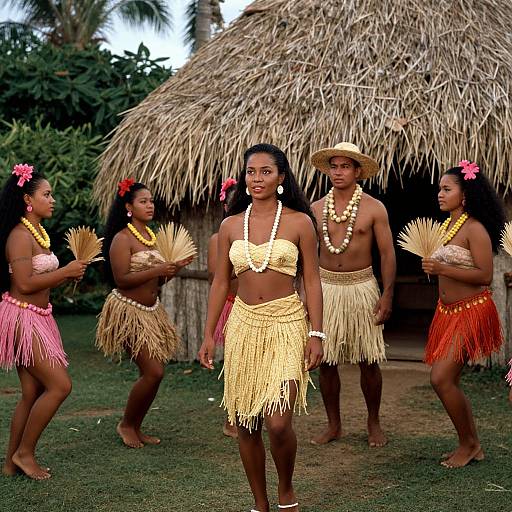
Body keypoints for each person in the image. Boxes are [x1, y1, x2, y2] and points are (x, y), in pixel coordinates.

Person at [198, 144, 323, 512]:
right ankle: (260, 503)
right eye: (251, 172)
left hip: (286, 323)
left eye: (266, 172)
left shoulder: (300, 222)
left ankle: (286, 489)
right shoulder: (230, 225)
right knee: (247, 422)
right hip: (243, 328)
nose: (257, 178)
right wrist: (208, 334)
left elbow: (312, 281)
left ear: (281, 178)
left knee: (279, 422)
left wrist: (317, 333)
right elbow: (221, 283)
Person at [0, 164, 87, 480]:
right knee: (60, 385)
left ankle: (11, 463)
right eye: (46, 194)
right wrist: (65, 271)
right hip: (22, 318)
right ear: (28, 199)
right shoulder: (19, 236)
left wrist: (69, 275)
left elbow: (42, 279)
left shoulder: (38, 234)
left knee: (32, 391)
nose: (53, 200)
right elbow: (23, 283)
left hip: (39, 316)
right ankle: (24, 453)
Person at [309, 142, 396, 448]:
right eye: (334, 166)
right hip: (326, 287)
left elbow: (387, 254)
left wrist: (387, 295)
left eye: (345, 166)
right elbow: (306, 257)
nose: (338, 172)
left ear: (358, 172)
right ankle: (334, 424)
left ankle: (373, 422)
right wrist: (306, 295)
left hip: (362, 287)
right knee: (326, 360)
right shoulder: (317, 209)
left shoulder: (374, 208)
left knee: (367, 359)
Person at [96, 179, 192, 448]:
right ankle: (126, 424)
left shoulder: (152, 237)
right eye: (143, 201)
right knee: (153, 372)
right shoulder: (122, 239)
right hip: (128, 312)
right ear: (129, 207)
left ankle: (135, 426)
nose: (150, 206)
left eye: (151, 201)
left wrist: (173, 270)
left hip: (151, 311)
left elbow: (157, 283)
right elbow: (122, 279)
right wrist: (159, 270)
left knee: (154, 373)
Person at [421, 160, 505, 468]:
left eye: (447, 189)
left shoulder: (475, 229)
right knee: (449, 380)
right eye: (439, 189)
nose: (440, 195)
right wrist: (434, 269)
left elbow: (484, 275)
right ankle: (471, 444)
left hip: (471, 312)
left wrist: (442, 267)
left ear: (465, 193)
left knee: (441, 378)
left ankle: (469, 444)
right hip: (447, 311)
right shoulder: (446, 226)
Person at [207, 177, 238, 438]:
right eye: (233, 203)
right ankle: (232, 416)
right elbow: (217, 277)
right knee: (235, 363)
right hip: (232, 308)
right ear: (225, 206)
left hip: (260, 308)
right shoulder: (218, 238)